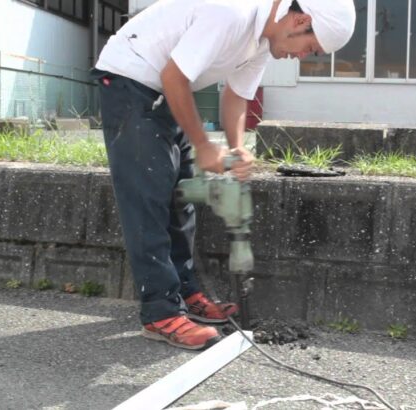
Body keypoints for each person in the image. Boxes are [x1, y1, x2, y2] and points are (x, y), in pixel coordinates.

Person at [92, 0, 356, 350]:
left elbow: (237, 96)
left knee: (180, 196)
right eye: (310, 47)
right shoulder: (232, 12)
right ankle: (159, 312)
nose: (303, 56)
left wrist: (236, 147)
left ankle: (184, 294)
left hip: (164, 89)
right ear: (300, 20)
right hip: (130, 79)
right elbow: (174, 75)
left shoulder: (264, 41)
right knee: (148, 198)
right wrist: (203, 144)